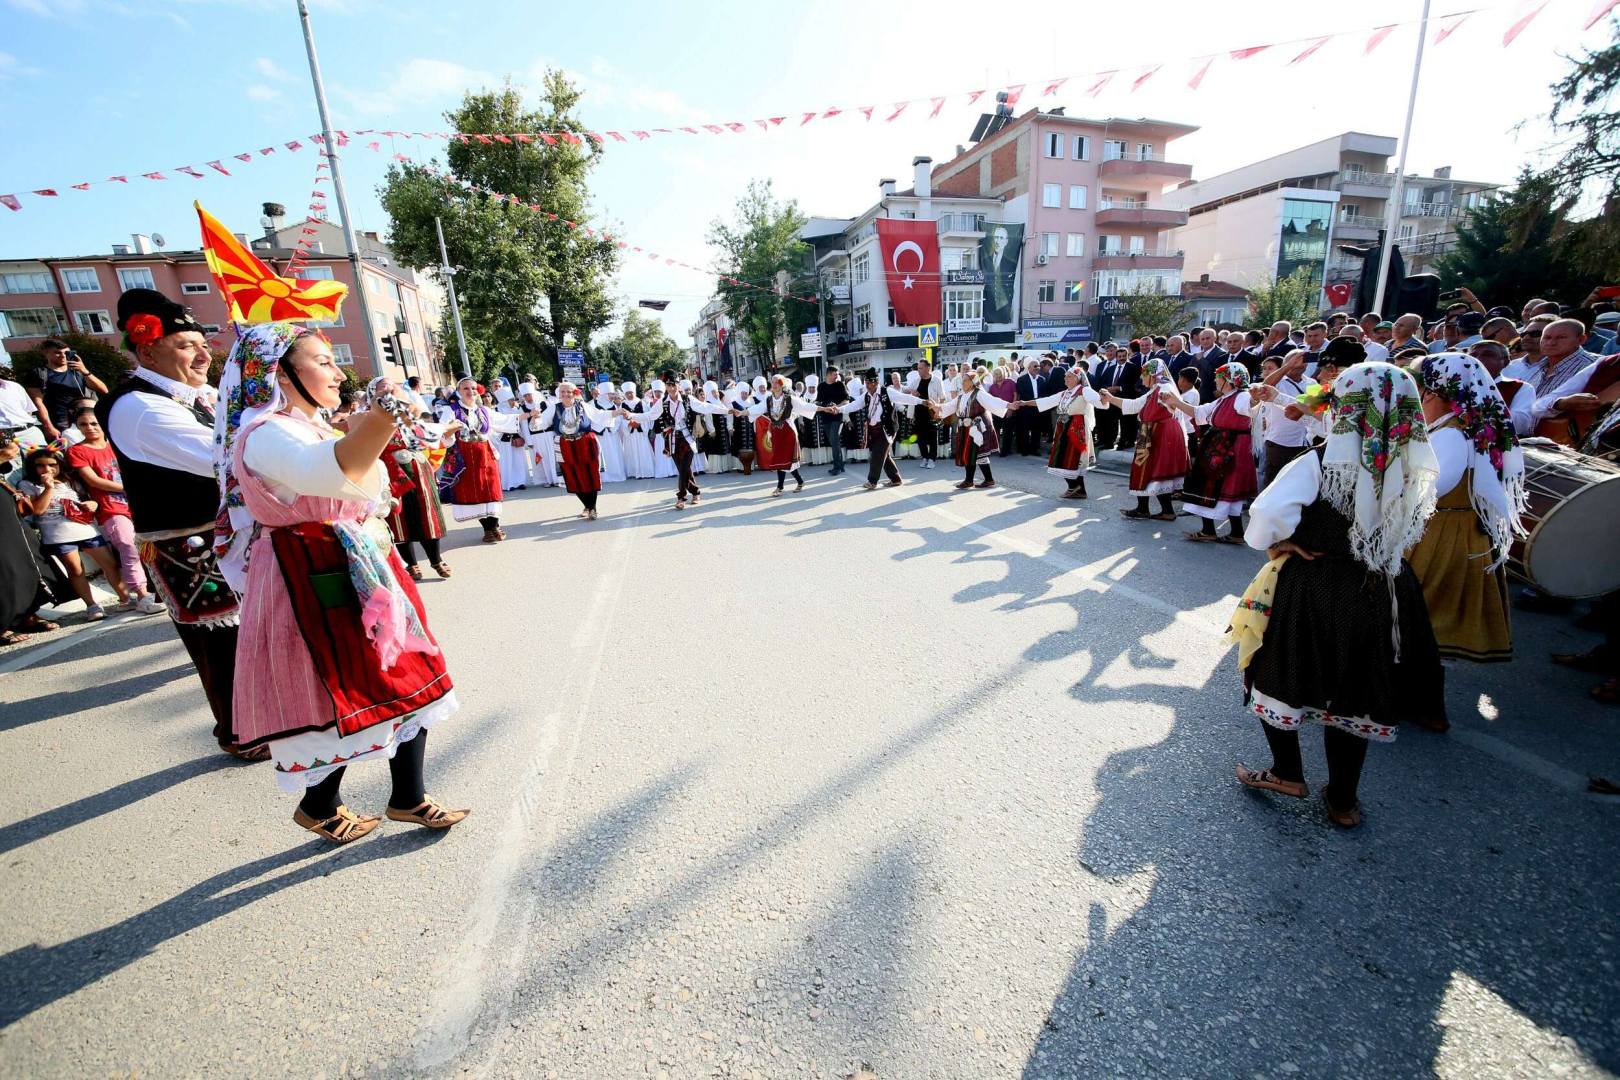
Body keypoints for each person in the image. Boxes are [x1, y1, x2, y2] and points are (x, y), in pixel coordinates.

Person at [213, 323, 467, 843]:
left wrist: (375, 424)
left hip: (359, 565)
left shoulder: (315, 426)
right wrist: (381, 417)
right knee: (335, 691)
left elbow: (365, 484)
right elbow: (329, 472)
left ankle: (408, 797)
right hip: (308, 576)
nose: (336, 371)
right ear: (280, 373)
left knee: (404, 671)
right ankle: (319, 805)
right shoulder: (264, 433)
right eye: (322, 360)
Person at [1230, 362, 1446, 827]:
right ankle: (1343, 801)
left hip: (1318, 583)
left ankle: (1288, 772)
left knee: (1279, 668)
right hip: (1384, 585)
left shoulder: (1317, 462)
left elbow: (1266, 515)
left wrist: (1277, 544)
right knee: (1358, 688)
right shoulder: (1415, 463)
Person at [100, 288, 258, 759]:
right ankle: (238, 732)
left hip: (221, 533)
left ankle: (264, 716)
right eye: (186, 345)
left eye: (202, 344)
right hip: (183, 544)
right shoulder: (139, 405)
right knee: (219, 638)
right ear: (147, 347)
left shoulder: (197, 396)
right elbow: (224, 457)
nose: (203, 353)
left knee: (249, 629)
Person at [1407, 353, 1525, 668]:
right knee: (1419, 619)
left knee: (1421, 616)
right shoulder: (1452, 426)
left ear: (1431, 391)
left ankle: (1421, 701)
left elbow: (1430, 487)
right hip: (1441, 525)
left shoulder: (1451, 434)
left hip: (1442, 532)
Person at [17, 448, 130, 619]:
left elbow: (86, 499)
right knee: (76, 569)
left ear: (60, 465)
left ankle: (126, 599)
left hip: (85, 529)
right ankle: (92, 606)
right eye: (41, 466)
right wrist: (48, 488)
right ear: (33, 467)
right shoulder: (27, 485)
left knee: (110, 564)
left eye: (52, 465)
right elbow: (37, 510)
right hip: (58, 534)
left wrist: (92, 504)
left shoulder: (69, 481)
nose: (47, 470)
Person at [65, 407, 157, 611]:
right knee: (128, 546)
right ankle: (141, 595)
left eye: (94, 423)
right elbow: (93, 481)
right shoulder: (77, 451)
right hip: (111, 508)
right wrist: (130, 488)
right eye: (83, 424)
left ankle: (160, 588)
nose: (89, 428)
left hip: (139, 502)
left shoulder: (118, 443)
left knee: (153, 545)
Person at [1164, 362, 1259, 543]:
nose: (1215, 381)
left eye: (1219, 378)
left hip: (1231, 449)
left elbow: (1251, 404)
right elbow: (1199, 412)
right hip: (1221, 446)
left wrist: (1255, 398)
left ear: (1229, 381)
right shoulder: (1225, 398)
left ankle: (1212, 530)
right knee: (1222, 489)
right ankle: (1235, 533)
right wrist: (1175, 402)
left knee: (1214, 487)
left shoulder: (1241, 397)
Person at [378, 381, 454, 581]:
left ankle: (436, 560)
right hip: (390, 472)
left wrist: (449, 428)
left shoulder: (411, 418)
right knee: (399, 518)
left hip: (419, 470)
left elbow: (431, 435)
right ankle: (411, 564)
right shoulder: (372, 420)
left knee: (426, 515)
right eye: (383, 388)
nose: (389, 392)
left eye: (393, 388)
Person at [436, 377, 528, 543]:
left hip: (485, 454)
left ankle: (495, 526)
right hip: (464, 456)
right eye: (466, 388)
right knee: (474, 491)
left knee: (490, 489)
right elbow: (444, 432)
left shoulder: (484, 410)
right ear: (459, 391)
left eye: (473, 388)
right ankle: (487, 529)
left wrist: (528, 414)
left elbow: (505, 420)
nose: (470, 391)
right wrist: (451, 430)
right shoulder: (452, 410)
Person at [1100, 359, 1190, 520]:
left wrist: (1170, 401)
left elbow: (1175, 405)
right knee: (1146, 468)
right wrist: (1110, 398)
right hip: (1152, 432)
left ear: (1153, 374)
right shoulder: (1155, 389)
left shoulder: (1165, 388)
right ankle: (1150, 509)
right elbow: (1135, 405)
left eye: (1144, 375)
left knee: (1155, 469)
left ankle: (1161, 510)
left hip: (1161, 433)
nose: (1141, 379)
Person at [531, 381, 619, 520]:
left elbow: (600, 416)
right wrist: (535, 418)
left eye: (569, 391)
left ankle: (592, 508)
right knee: (572, 476)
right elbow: (541, 424)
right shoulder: (554, 408)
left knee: (590, 475)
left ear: (575, 393)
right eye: (563, 392)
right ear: (559, 394)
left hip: (585, 442)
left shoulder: (583, 405)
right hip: (565, 445)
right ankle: (588, 505)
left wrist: (615, 412)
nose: (566, 394)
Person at [1020, 365, 1101, 499]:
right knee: (1064, 457)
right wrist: (1025, 403)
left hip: (1076, 427)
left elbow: (1099, 401)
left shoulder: (1084, 390)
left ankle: (1074, 486)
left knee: (1070, 458)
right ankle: (1079, 490)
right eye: (1065, 376)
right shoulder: (1064, 393)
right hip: (1063, 428)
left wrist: (1105, 398)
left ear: (1077, 378)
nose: (1066, 379)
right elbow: (1046, 401)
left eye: (1069, 376)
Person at [841, 369, 926, 488]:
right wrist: (838, 410)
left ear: (876, 382)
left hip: (887, 429)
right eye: (866, 384)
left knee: (877, 454)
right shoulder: (866, 395)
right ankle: (896, 479)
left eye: (870, 383)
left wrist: (921, 401)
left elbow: (904, 398)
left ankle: (872, 481)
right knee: (884, 455)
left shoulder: (887, 392)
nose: (868, 386)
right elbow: (853, 405)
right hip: (873, 429)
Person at [931, 370, 1010, 489]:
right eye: (962, 380)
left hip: (977, 427)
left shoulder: (979, 394)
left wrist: (1008, 405)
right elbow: (950, 406)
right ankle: (987, 479)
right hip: (966, 427)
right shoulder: (961, 396)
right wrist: (937, 407)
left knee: (974, 453)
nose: (962, 383)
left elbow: (992, 401)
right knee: (973, 453)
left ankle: (971, 480)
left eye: (965, 381)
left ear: (972, 382)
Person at [22, 339, 108, 442]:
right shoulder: (39, 373)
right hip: (61, 423)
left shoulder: (78, 371)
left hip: (87, 419)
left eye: (66, 353)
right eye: (58, 353)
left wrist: (84, 371)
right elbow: (38, 402)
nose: (63, 356)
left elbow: (103, 390)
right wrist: (48, 426)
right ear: (46, 353)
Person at [747, 375, 817, 496]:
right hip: (776, 432)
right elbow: (756, 409)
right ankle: (799, 481)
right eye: (772, 382)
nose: (774, 384)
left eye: (776, 382)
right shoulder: (769, 399)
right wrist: (741, 412)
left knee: (786, 459)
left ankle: (780, 487)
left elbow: (805, 406)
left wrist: (824, 408)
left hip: (788, 431)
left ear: (781, 384)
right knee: (781, 458)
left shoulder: (789, 398)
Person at [1258, 350, 1316, 487]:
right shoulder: (1279, 381)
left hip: (1304, 442)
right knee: (1273, 482)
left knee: (1296, 483)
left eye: (1301, 360)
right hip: (1280, 441)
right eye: (1293, 361)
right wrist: (1289, 366)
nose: (1298, 363)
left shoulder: (1311, 383)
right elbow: (1266, 386)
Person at [0, 363, 48, 460]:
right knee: (12, 474)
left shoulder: (14, 386)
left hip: (29, 432)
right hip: (2, 437)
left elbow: (28, 411)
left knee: (44, 467)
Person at [910, 359, 947, 469]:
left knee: (932, 436)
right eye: (918, 368)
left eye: (921, 368)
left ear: (927, 368)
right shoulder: (916, 381)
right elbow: (904, 390)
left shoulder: (937, 381)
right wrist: (912, 392)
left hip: (931, 412)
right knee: (920, 436)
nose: (919, 371)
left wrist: (939, 411)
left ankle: (932, 459)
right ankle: (925, 457)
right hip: (918, 413)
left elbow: (943, 398)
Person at [816, 368, 850, 475]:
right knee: (832, 441)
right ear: (829, 375)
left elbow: (846, 399)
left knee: (835, 441)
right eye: (835, 374)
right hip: (825, 417)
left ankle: (837, 467)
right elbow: (818, 400)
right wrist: (820, 407)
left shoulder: (840, 385)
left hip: (837, 416)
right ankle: (840, 464)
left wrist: (837, 407)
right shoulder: (821, 386)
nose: (837, 376)